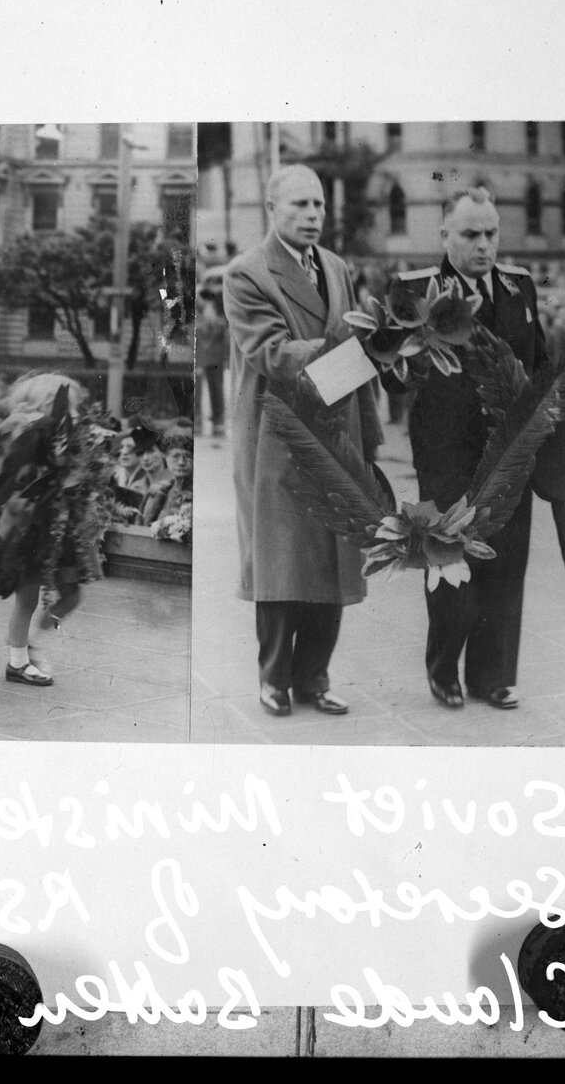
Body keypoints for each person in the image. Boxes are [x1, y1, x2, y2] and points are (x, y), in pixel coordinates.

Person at [224, 165, 382, 717]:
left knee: (333, 560)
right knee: (282, 562)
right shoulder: (247, 273)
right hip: (278, 437)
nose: (313, 215)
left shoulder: (335, 267)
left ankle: (314, 677)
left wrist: (370, 438)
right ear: (272, 209)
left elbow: (358, 364)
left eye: (318, 204)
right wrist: (353, 346)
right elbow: (271, 354)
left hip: (337, 432)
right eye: (299, 204)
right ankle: (274, 679)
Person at [396, 187, 547, 710]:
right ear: (444, 235)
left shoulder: (518, 287)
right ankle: (444, 670)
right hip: (447, 455)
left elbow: (540, 364)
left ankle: (493, 676)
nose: (484, 245)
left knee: (506, 564)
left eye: (491, 233)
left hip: (509, 453)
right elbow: (394, 376)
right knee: (450, 564)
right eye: (470, 234)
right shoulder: (416, 292)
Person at [0, 373, 116, 687]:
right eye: (70, 404)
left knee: (41, 597)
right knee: (29, 598)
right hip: (31, 525)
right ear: (49, 400)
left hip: (28, 523)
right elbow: (40, 471)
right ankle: (18, 660)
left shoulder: (20, 425)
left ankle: (24, 649)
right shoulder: (34, 427)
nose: (73, 411)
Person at [194, 296, 228, 438]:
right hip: (202, 360)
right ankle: (197, 420)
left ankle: (218, 420)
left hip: (216, 360)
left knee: (217, 390)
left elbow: (224, 339)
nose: (208, 311)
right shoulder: (199, 323)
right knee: (197, 392)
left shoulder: (220, 322)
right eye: (206, 309)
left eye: (210, 309)